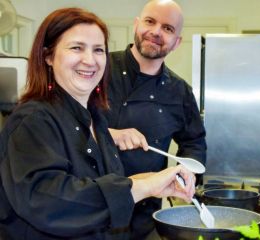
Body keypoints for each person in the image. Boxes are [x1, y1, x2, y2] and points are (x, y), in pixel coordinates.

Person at [0, 8, 195, 240]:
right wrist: (144, 187)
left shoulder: (95, 119)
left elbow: (101, 184)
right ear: (48, 56)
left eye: (98, 50)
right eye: (76, 48)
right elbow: (50, 203)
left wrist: (157, 181)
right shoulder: (33, 120)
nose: (90, 60)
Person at [105, 0, 207, 238]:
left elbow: (194, 142)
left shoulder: (179, 90)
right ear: (137, 24)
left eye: (168, 28)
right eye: (150, 21)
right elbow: (67, 125)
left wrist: (187, 169)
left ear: (176, 42)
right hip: (90, 209)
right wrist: (111, 134)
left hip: (143, 215)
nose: (156, 32)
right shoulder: (98, 68)